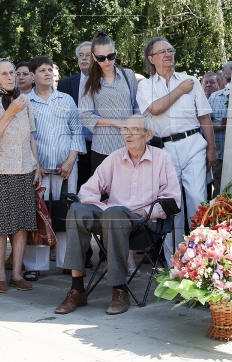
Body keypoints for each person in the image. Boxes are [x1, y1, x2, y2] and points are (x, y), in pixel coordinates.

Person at [55, 114, 180, 315]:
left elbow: (172, 200)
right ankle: (77, 289)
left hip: (143, 225)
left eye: (133, 130)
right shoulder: (115, 158)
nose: (127, 135)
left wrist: (143, 212)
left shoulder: (161, 159)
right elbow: (87, 192)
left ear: (148, 135)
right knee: (77, 210)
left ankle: (120, 290)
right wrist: (104, 208)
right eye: (125, 130)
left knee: (115, 214)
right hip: (112, 217)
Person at [136, 37, 217, 261]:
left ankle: (204, 257)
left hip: (193, 144)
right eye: (161, 52)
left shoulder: (190, 80)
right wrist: (181, 90)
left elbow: (204, 116)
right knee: (172, 204)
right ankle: (176, 262)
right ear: (151, 59)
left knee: (197, 199)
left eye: (170, 50)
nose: (168, 54)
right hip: (164, 149)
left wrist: (211, 147)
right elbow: (155, 108)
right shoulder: (145, 86)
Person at [0, 58, 40, 293]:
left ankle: (16, 274)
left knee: (22, 224)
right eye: (3, 74)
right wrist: (11, 112)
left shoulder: (24, 101)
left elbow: (30, 136)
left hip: (24, 168)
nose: (10, 77)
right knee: (0, 226)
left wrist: (36, 166)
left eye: (12, 73)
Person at [22, 56, 85, 280]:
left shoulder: (66, 99)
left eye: (50, 69)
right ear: (31, 76)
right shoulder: (25, 101)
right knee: (39, 215)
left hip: (66, 169)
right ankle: (34, 265)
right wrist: (35, 165)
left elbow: (77, 130)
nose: (47, 73)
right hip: (38, 169)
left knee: (66, 214)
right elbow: (24, 136)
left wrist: (70, 161)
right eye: (41, 70)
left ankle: (67, 261)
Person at [78, 32, 139, 172]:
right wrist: (116, 122)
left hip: (131, 145)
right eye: (101, 58)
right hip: (103, 147)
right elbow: (85, 115)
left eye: (110, 56)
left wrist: (136, 125)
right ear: (94, 57)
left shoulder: (128, 75)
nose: (107, 61)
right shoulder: (88, 82)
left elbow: (137, 106)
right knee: (105, 193)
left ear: (115, 53)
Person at [57, 42, 92, 190]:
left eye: (88, 55)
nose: (84, 59)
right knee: (78, 189)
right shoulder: (65, 84)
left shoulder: (106, 82)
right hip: (74, 146)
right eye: (80, 55)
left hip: (100, 143)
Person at [208, 84, 229, 197]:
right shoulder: (214, 97)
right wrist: (221, 125)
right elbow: (205, 123)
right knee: (219, 191)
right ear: (224, 80)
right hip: (219, 154)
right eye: (230, 79)